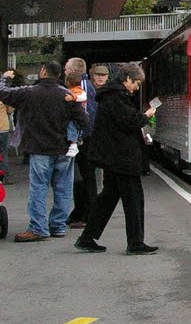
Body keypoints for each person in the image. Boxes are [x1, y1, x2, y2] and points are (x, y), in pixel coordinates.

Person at [0, 61, 88, 242]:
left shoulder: (28, 93)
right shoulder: (67, 95)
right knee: (63, 189)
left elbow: (3, 94)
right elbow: (84, 120)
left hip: (39, 148)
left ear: (43, 71)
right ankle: (58, 226)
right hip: (64, 149)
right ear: (59, 75)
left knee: (39, 189)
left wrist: (4, 79)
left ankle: (38, 228)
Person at [75, 63, 158, 255]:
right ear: (127, 79)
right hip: (122, 157)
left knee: (108, 197)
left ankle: (87, 238)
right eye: (136, 83)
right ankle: (135, 243)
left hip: (113, 156)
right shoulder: (116, 97)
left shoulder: (111, 96)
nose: (137, 87)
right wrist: (146, 115)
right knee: (134, 199)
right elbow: (130, 122)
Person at [69, 64, 109, 228]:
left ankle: (87, 213)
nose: (100, 78)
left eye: (103, 75)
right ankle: (82, 212)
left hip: (90, 139)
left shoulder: (94, 91)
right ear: (91, 76)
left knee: (87, 177)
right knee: (86, 177)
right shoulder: (92, 90)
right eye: (98, 75)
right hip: (91, 138)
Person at [62, 71, 88, 157]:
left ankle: (73, 144)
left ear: (68, 82)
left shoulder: (78, 90)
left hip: (78, 115)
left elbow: (83, 96)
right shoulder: (68, 90)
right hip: (72, 114)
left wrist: (73, 97)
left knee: (72, 126)